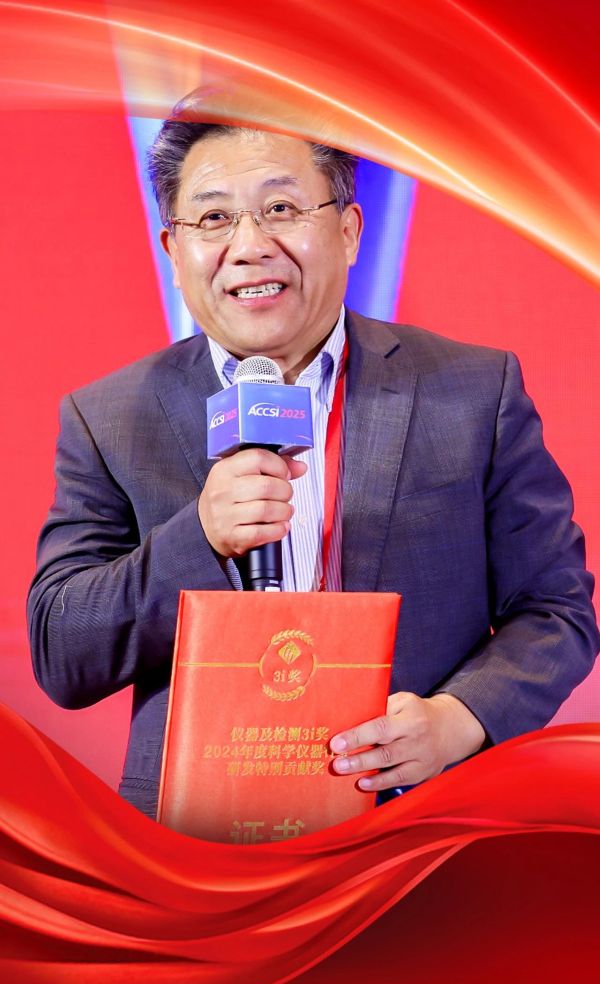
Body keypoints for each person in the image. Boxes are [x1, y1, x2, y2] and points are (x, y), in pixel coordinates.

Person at [27, 111, 600, 818]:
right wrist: (199, 538)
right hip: (193, 844)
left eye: (280, 209)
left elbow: (556, 610)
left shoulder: (473, 391)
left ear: (350, 230)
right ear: (174, 251)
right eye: (214, 218)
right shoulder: (110, 417)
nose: (249, 246)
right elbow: (62, 652)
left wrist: (457, 721)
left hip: (416, 825)